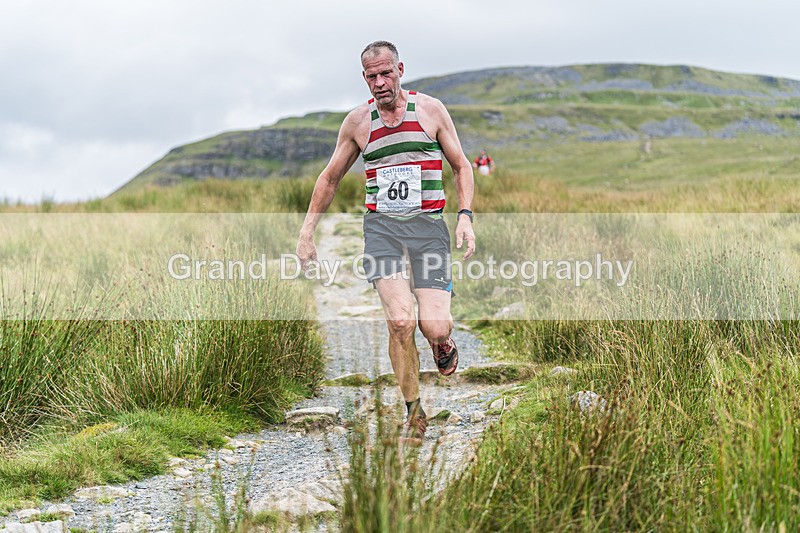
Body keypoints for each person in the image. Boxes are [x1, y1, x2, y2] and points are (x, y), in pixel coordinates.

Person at [295, 41, 476, 442]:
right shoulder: (358, 123)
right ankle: (414, 411)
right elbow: (329, 178)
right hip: (383, 231)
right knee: (399, 321)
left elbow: (462, 166)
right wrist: (307, 233)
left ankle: (442, 341)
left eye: (386, 73)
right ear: (364, 78)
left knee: (432, 325)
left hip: (428, 229)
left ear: (400, 70)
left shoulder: (431, 111)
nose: (380, 82)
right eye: (372, 76)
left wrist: (464, 216)